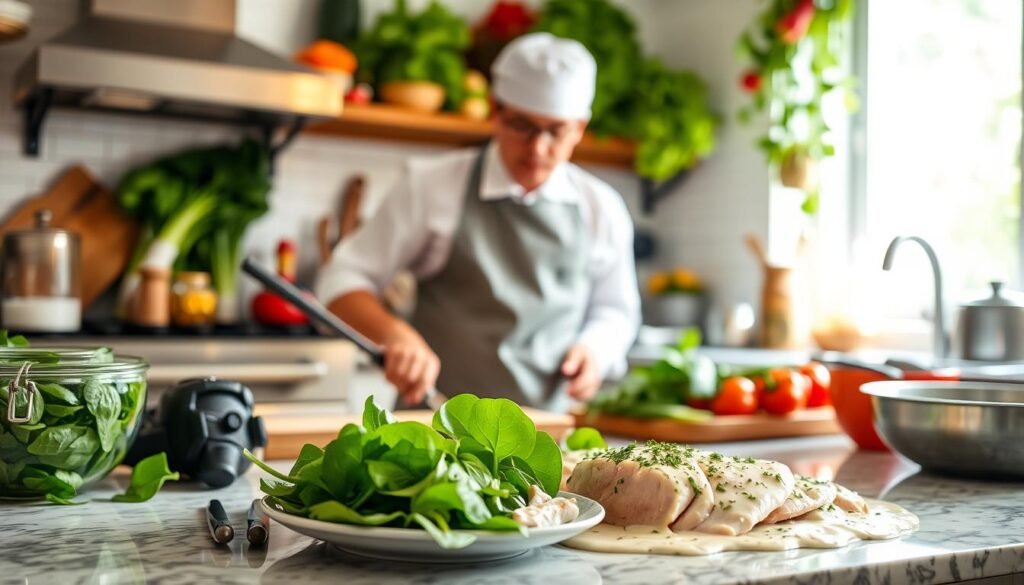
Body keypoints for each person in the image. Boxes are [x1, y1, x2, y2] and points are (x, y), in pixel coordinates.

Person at [317, 32, 640, 411]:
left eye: (555, 130)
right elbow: (342, 278)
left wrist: (595, 351)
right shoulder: (431, 185)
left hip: (548, 437)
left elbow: (615, 310)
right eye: (522, 125)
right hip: (436, 431)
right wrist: (395, 334)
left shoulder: (602, 208)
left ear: (580, 128)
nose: (538, 148)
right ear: (495, 110)